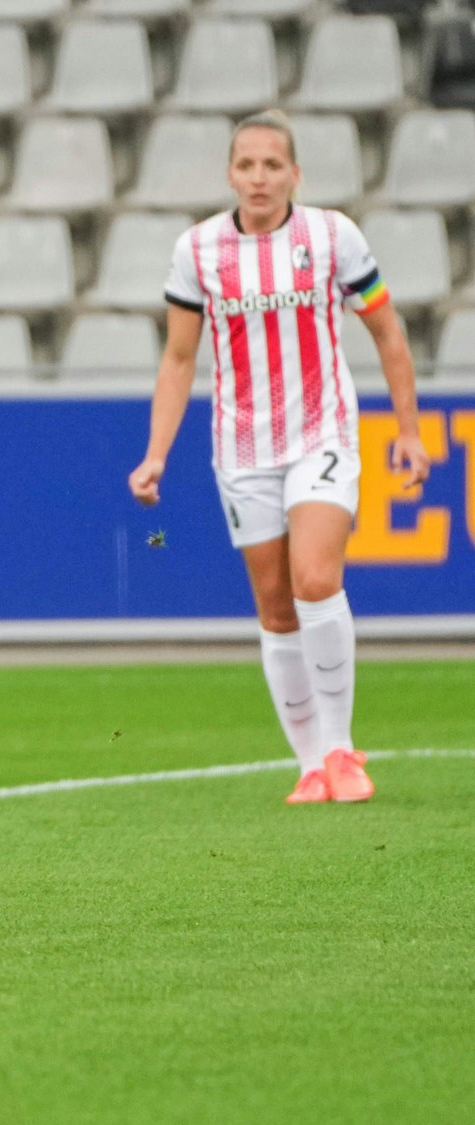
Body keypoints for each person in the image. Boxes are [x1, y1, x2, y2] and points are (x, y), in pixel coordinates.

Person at [128, 109, 431, 806]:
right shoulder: (198, 250)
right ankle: (309, 763)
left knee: (315, 578)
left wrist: (409, 431)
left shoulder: (332, 237)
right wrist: (156, 454)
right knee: (274, 605)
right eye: (246, 165)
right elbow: (179, 358)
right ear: (230, 174)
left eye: (272, 165)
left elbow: (388, 332)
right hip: (242, 447)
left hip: (322, 432)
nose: (258, 177)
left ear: (296, 173)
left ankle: (340, 748)